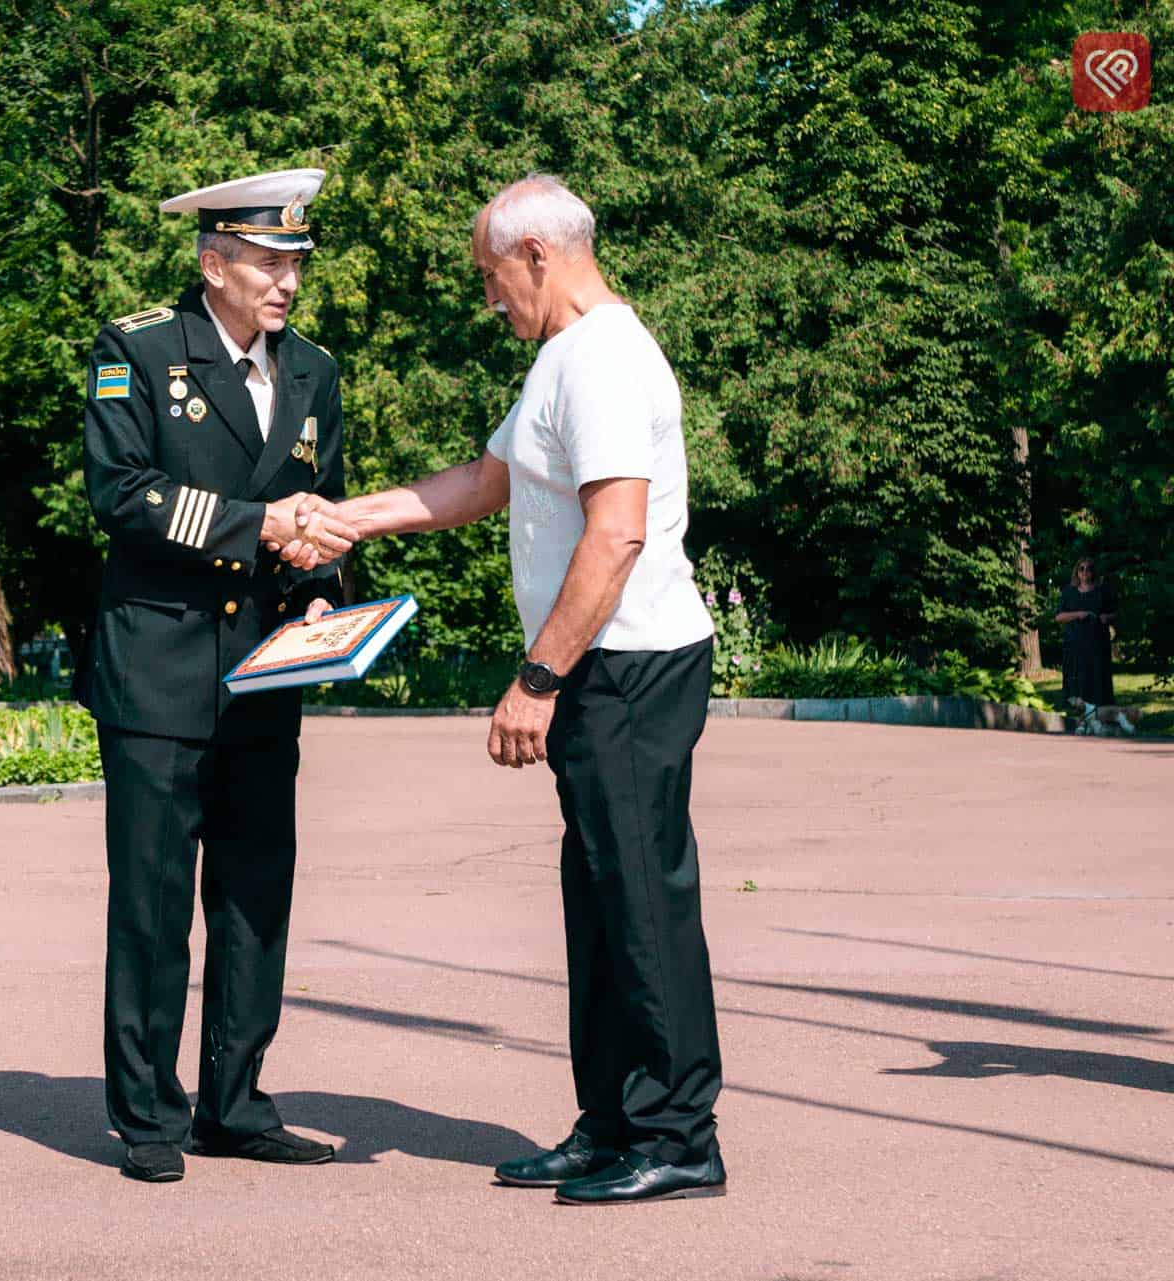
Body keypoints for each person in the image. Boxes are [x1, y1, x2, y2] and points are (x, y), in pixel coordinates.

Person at [294, 173, 726, 1205]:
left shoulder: (608, 360)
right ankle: (615, 1121)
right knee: (600, 896)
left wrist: (539, 678)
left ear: (537, 256)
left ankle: (678, 1136)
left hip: (624, 668)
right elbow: (486, 484)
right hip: (601, 670)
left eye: (492, 276)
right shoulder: (561, 360)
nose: (490, 299)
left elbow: (617, 532)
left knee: (642, 901)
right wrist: (346, 517)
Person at [77, 167, 360, 1183]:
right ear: (214, 262)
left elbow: (323, 505)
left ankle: (234, 1103)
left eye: (296, 262)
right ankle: (150, 1116)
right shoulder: (141, 350)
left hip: (264, 672)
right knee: (152, 904)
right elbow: (123, 494)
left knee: (253, 899)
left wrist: (327, 583)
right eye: (270, 261)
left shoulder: (316, 371)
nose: (288, 280)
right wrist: (258, 528)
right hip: (159, 668)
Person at [1056, 557, 1117, 708]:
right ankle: (1076, 706)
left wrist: (1106, 617)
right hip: (1075, 642)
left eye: (1088, 568)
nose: (1085, 572)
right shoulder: (1068, 592)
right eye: (1081, 568)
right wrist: (1078, 614)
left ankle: (1099, 706)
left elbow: (1115, 613)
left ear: (1093, 572)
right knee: (1076, 673)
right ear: (1077, 572)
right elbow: (1059, 617)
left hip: (1097, 641)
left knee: (1096, 673)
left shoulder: (1102, 592)